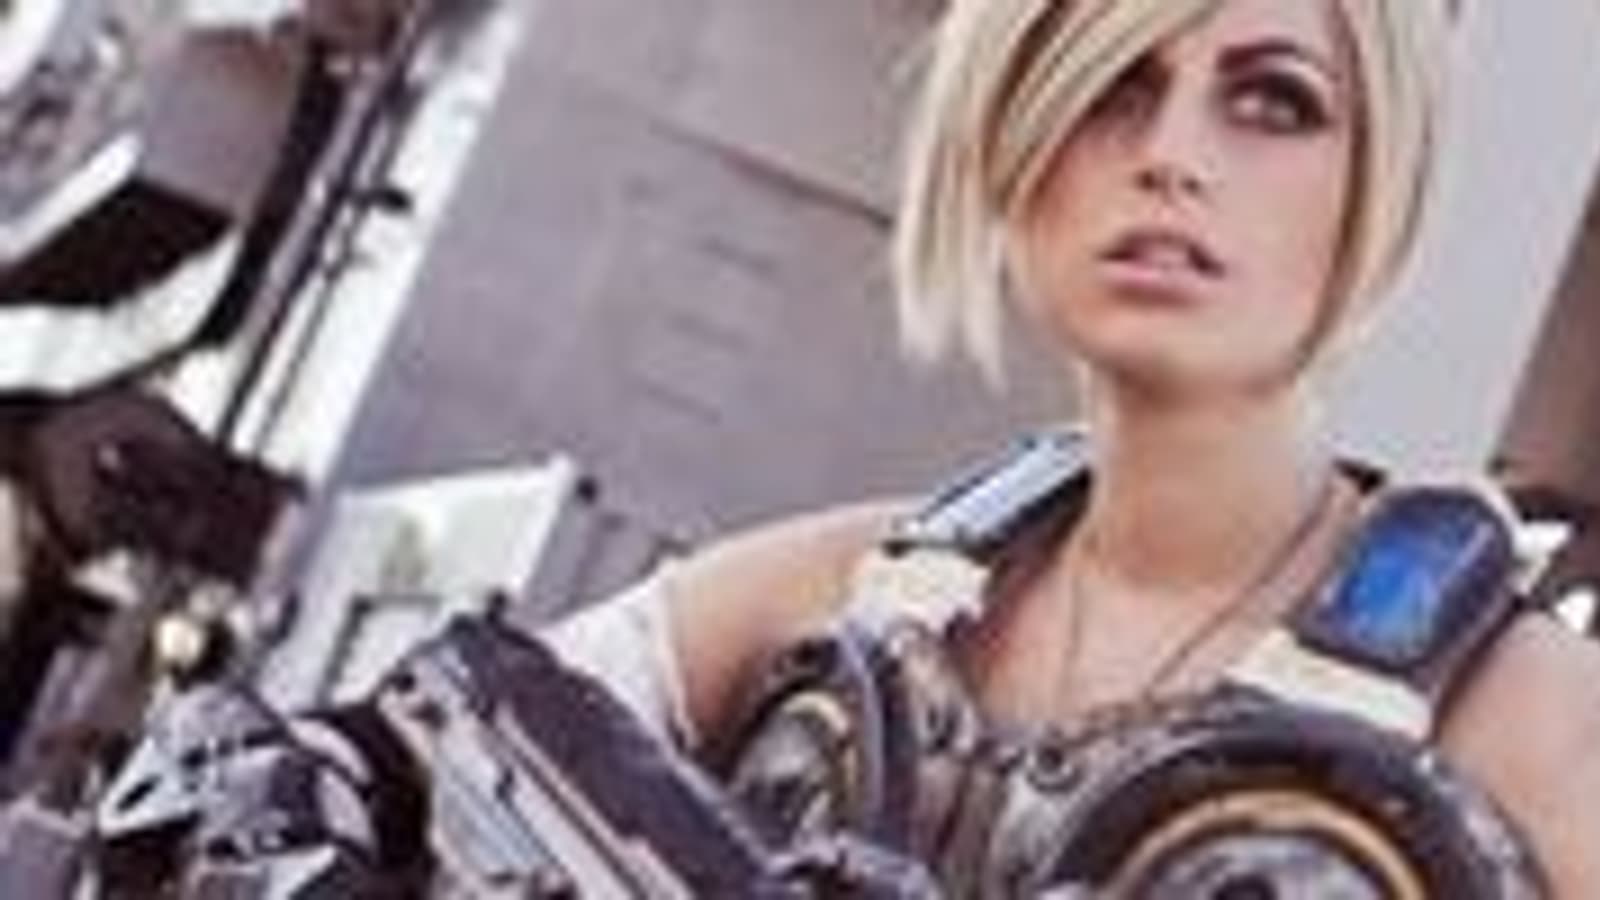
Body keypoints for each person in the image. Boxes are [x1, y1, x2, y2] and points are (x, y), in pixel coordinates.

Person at [546, 0, 1600, 893]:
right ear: (1018, 131)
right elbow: (455, 765)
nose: (1171, 157)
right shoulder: (816, 599)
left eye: (1275, 102)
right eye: (1114, 87)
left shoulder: (1538, 727)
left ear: (1373, 180)